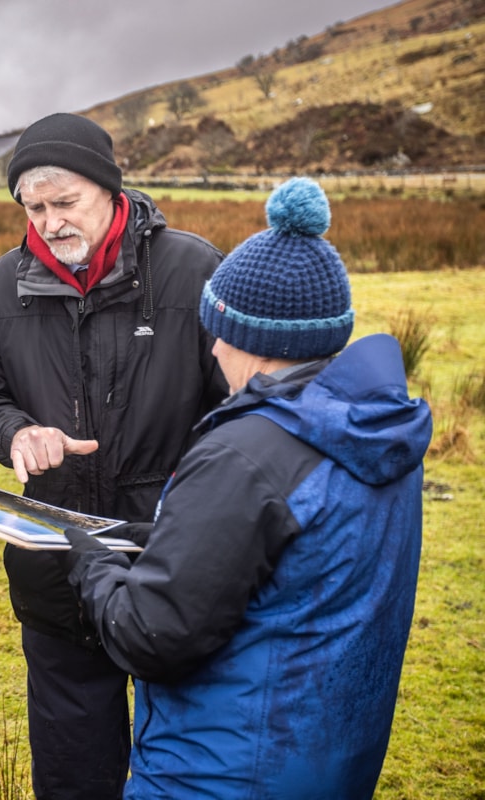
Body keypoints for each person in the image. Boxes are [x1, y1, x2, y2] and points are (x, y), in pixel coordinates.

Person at [62, 177, 432, 798]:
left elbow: (151, 635)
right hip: (325, 758)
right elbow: (296, 555)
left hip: (217, 771)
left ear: (251, 341)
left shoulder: (243, 454)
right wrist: (159, 539)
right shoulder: (376, 434)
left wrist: (93, 564)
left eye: (218, 332)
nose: (211, 348)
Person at [0, 112, 229, 799]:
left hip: (177, 561)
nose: (49, 222)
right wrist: (16, 433)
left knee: (193, 767)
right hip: (57, 565)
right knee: (74, 774)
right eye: (34, 207)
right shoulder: (0, 287)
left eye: (65, 202)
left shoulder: (194, 270)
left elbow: (237, 406)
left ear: (111, 191)